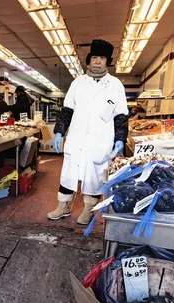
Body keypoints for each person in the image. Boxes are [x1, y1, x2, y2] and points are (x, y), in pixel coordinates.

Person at [47, 39, 129, 225]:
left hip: (100, 141)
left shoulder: (115, 85)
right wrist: (60, 131)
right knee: (68, 173)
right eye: (94, 57)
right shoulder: (78, 83)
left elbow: (121, 115)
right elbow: (67, 110)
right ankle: (63, 206)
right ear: (89, 60)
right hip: (76, 139)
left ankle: (88, 210)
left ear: (108, 61)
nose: (98, 61)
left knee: (95, 176)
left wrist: (120, 138)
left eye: (102, 58)